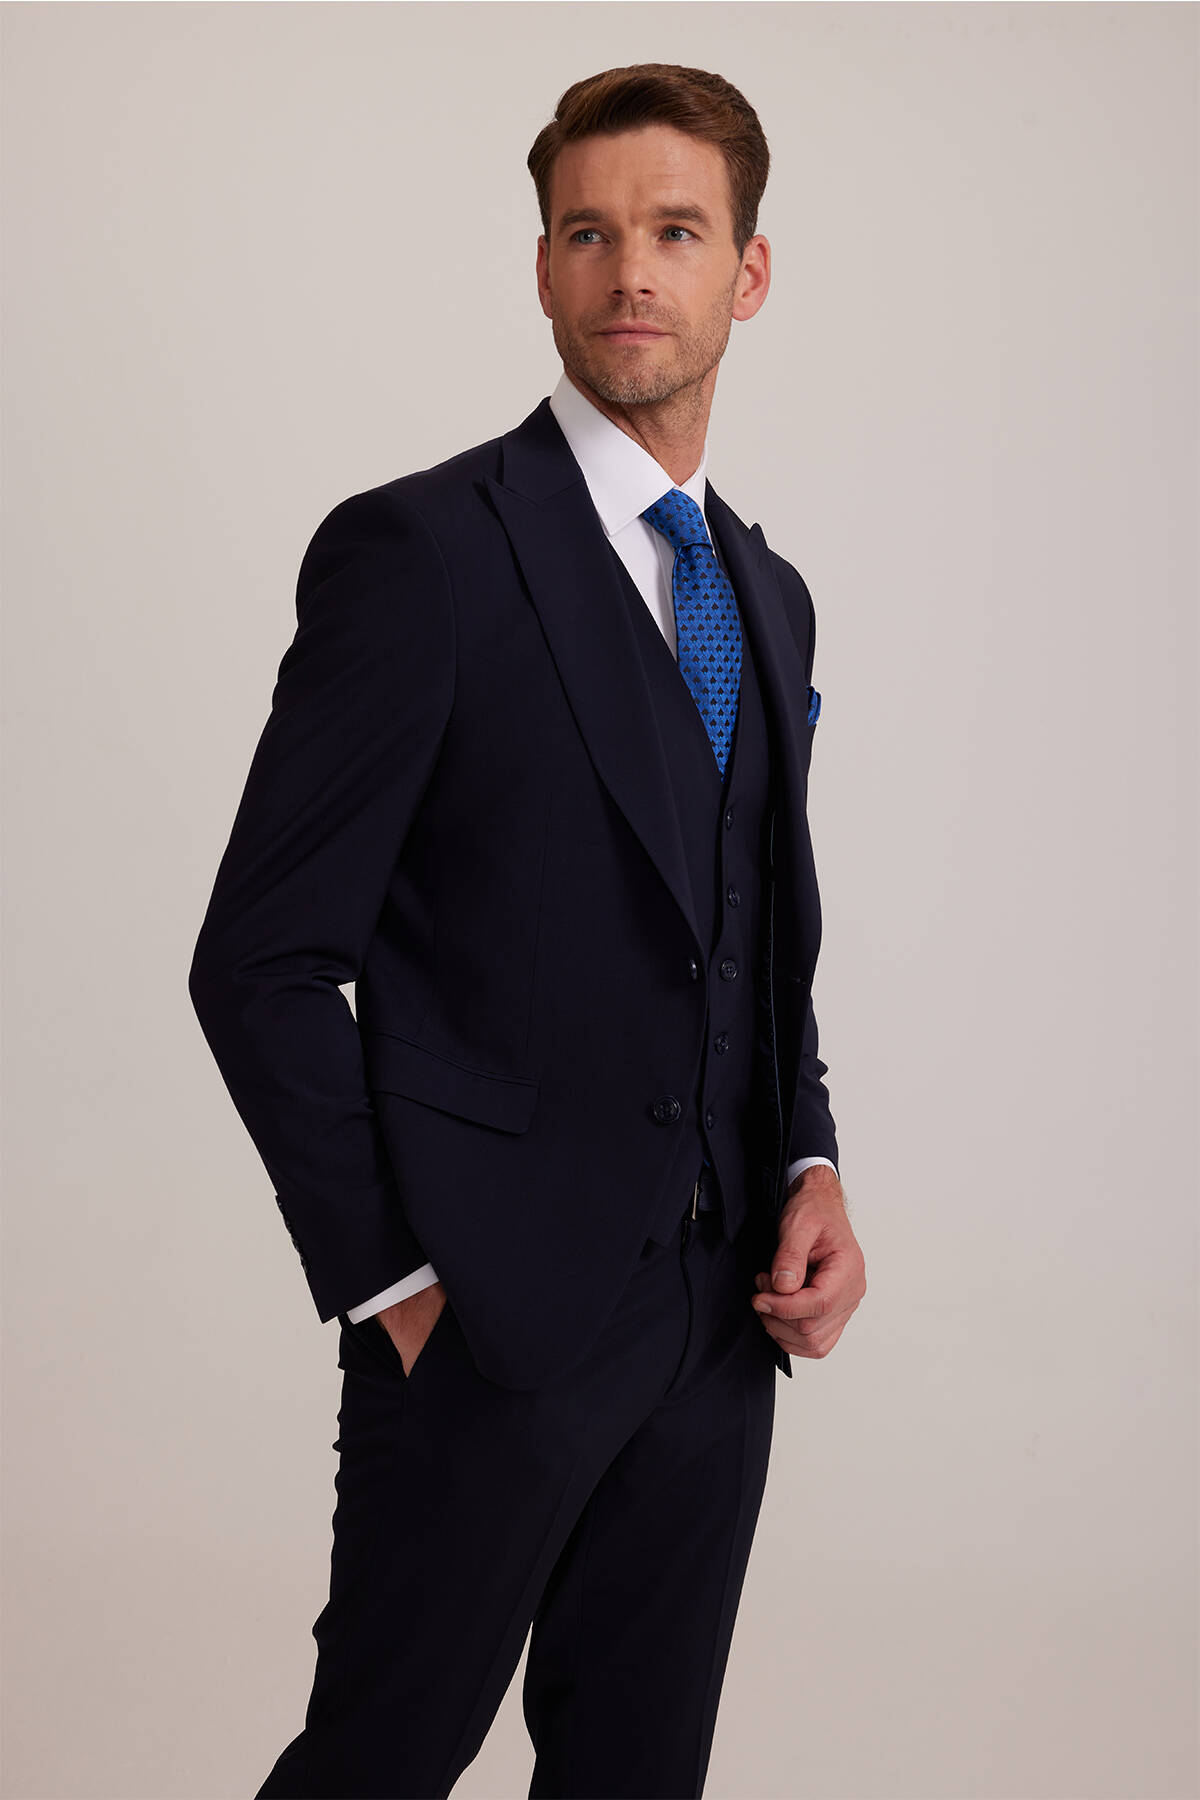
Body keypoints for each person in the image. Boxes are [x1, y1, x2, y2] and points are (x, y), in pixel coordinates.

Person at [188, 59, 867, 1800]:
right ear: (545, 264)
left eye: (676, 231)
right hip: (482, 1326)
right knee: (378, 1765)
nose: (630, 270)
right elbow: (260, 960)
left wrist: (809, 1159)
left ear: (749, 272)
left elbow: (750, 933)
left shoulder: (769, 594)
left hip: (718, 1329)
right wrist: (397, 1289)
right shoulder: (421, 554)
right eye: (588, 231)